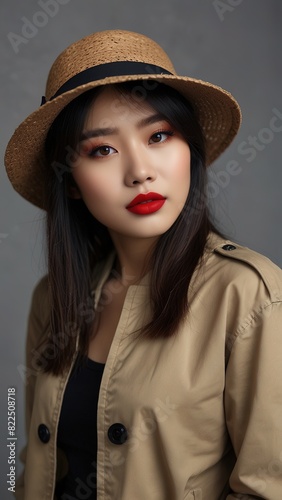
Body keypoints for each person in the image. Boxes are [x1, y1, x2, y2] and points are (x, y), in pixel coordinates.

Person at [4, 29, 282, 500]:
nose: (139, 171)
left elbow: (268, 487)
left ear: (189, 150)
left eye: (158, 136)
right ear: (70, 181)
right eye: (102, 150)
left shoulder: (248, 292)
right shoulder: (52, 297)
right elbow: (33, 465)